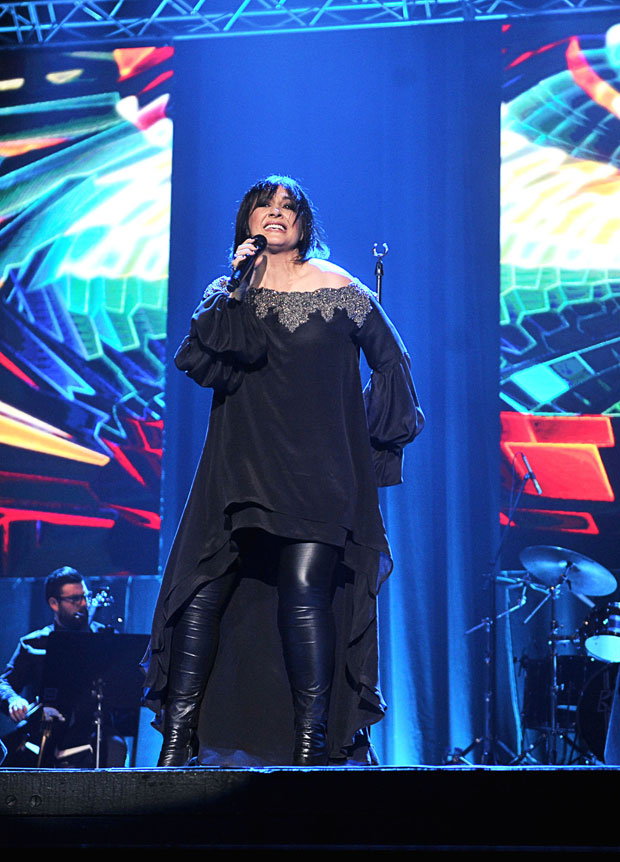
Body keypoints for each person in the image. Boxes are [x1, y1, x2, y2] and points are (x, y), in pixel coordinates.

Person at [142, 174, 425, 767]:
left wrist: (364, 443)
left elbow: (392, 362)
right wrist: (235, 279)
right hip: (238, 468)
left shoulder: (339, 287)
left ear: (303, 222)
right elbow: (203, 354)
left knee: (303, 595)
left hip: (318, 475)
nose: (276, 212)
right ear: (247, 221)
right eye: (264, 205)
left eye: (288, 206)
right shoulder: (231, 291)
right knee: (200, 591)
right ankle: (177, 740)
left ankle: (310, 743)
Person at [0, 566, 126, 767]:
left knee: (115, 746)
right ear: (54, 603)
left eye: (85, 597)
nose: (83, 604)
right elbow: (4, 683)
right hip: (45, 731)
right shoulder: (34, 643)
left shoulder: (105, 639)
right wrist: (14, 700)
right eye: (75, 599)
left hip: (93, 731)